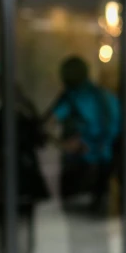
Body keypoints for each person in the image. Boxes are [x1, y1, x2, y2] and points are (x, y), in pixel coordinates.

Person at [0, 76, 50, 253]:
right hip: (11, 183)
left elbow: (40, 139)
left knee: (13, 235)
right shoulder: (2, 122)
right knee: (10, 236)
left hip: (19, 182)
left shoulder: (15, 120)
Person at [47, 56, 120, 215]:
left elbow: (47, 124)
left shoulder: (72, 96)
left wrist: (61, 143)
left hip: (79, 164)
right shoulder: (107, 96)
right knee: (99, 225)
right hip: (104, 165)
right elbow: (115, 129)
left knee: (76, 224)